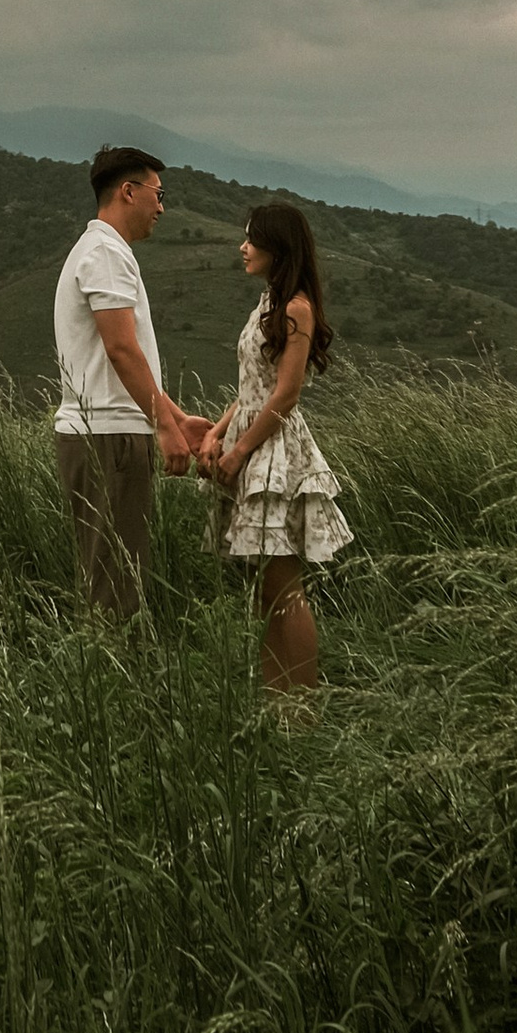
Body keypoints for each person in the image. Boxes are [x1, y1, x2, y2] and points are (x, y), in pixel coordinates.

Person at [52, 147, 209, 616]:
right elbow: (121, 348)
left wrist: (177, 420)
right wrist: (164, 427)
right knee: (116, 586)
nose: (161, 207)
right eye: (158, 195)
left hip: (106, 431)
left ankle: (110, 677)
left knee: (113, 572)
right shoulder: (105, 254)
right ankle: (115, 682)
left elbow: (121, 358)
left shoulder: (100, 250)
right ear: (128, 192)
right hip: (111, 437)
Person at [211, 197, 353, 695]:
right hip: (252, 443)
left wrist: (237, 450)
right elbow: (253, 386)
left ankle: (301, 704)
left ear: (277, 248)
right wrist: (216, 431)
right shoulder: (269, 304)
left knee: (284, 590)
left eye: (252, 238)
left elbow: (286, 394)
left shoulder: (296, 308)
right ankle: (279, 700)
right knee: (265, 591)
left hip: (273, 454)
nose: (243, 246)